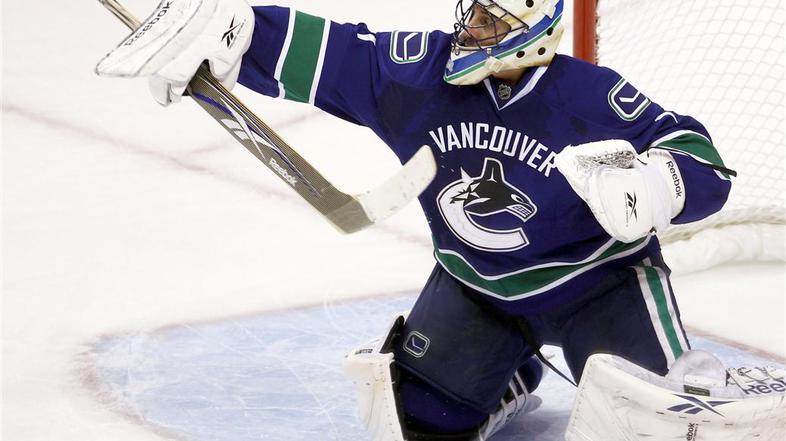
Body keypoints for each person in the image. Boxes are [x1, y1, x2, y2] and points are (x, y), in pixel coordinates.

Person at [99, 0, 773, 439]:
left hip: (597, 291)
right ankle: (506, 371)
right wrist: (240, 34)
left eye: (488, 22)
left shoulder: (586, 97)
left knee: (650, 428)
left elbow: (697, 155)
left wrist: (661, 181)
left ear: (534, 30)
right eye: (469, 13)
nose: (467, 32)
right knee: (421, 420)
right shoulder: (423, 75)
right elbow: (341, 57)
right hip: (475, 289)